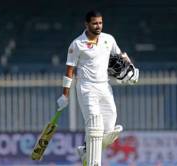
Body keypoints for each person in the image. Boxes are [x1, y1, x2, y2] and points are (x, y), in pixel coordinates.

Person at [56, 10, 139, 166]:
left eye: (100, 23)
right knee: (95, 124)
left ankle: (86, 151)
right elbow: (69, 71)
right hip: (86, 87)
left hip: (104, 86)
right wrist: (65, 95)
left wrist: (131, 68)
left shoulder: (108, 39)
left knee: (109, 129)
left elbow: (120, 55)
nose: (98, 26)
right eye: (94, 23)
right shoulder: (77, 44)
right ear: (86, 24)